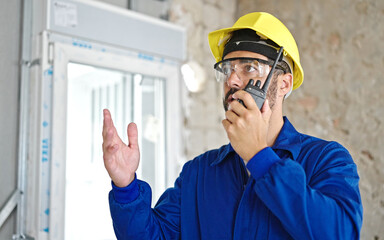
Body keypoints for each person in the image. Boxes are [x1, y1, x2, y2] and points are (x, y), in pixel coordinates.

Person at [102, 12, 363, 240]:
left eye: (249, 68)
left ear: (284, 84)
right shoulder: (199, 173)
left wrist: (259, 158)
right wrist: (126, 187)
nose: (233, 81)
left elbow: (339, 234)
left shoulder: (326, 161)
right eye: (227, 69)